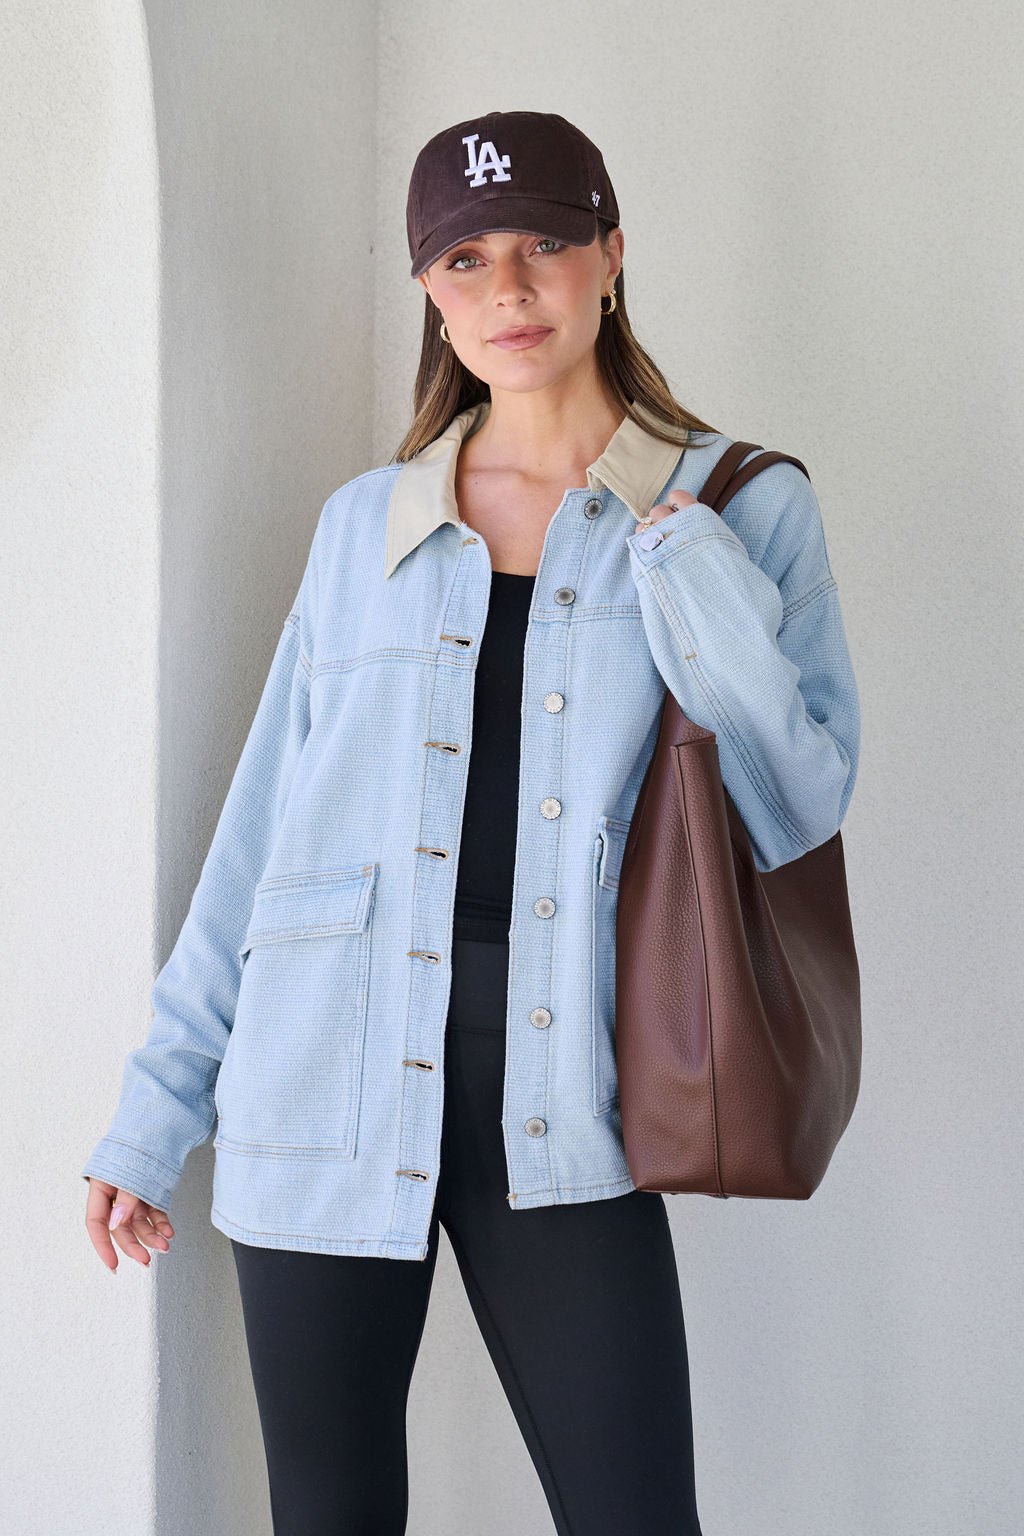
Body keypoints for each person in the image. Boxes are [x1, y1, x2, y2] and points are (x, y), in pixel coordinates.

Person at [82, 109, 860, 1534]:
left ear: (611, 255)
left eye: (546, 244)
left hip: (564, 1090)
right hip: (323, 1080)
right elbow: (263, 838)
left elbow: (798, 801)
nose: (508, 288)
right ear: (431, 294)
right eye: (464, 259)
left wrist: (665, 534)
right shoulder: (363, 527)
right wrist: (153, 1115)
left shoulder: (740, 505)